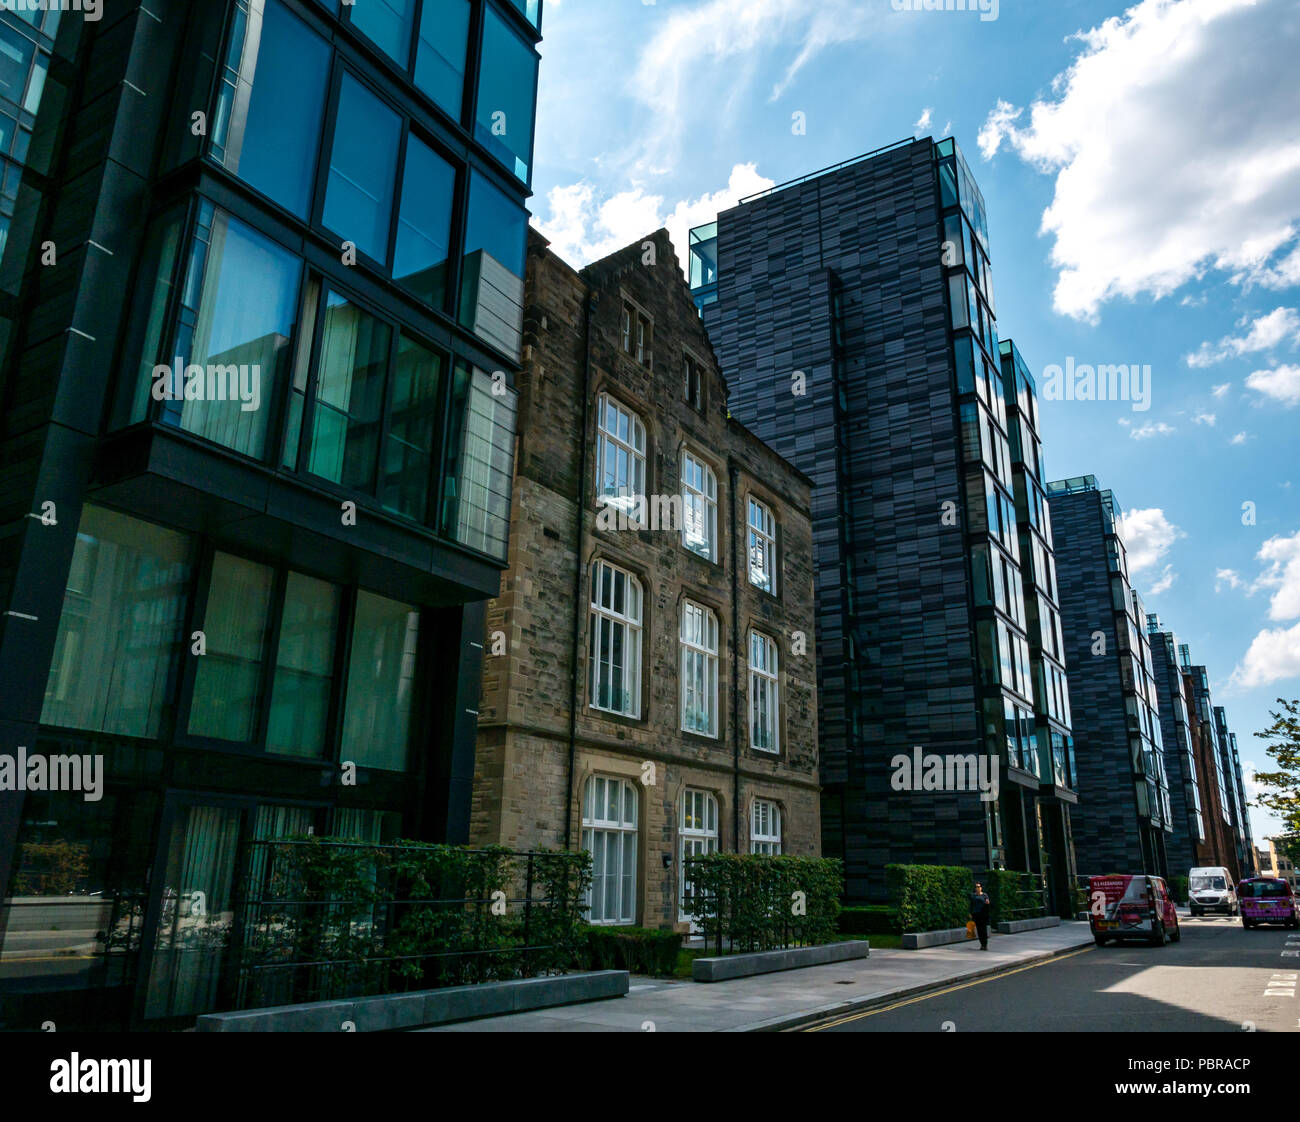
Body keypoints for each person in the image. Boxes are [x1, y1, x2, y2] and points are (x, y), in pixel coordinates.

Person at [970, 882, 991, 950]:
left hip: (983, 915)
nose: (977, 888)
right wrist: (970, 913)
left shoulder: (985, 895)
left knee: (983, 930)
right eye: (976, 887)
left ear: (981, 888)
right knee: (979, 930)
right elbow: (971, 905)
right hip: (976, 914)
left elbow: (988, 904)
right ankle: (982, 944)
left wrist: (987, 903)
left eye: (978, 887)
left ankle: (985, 944)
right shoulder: (973, 896)